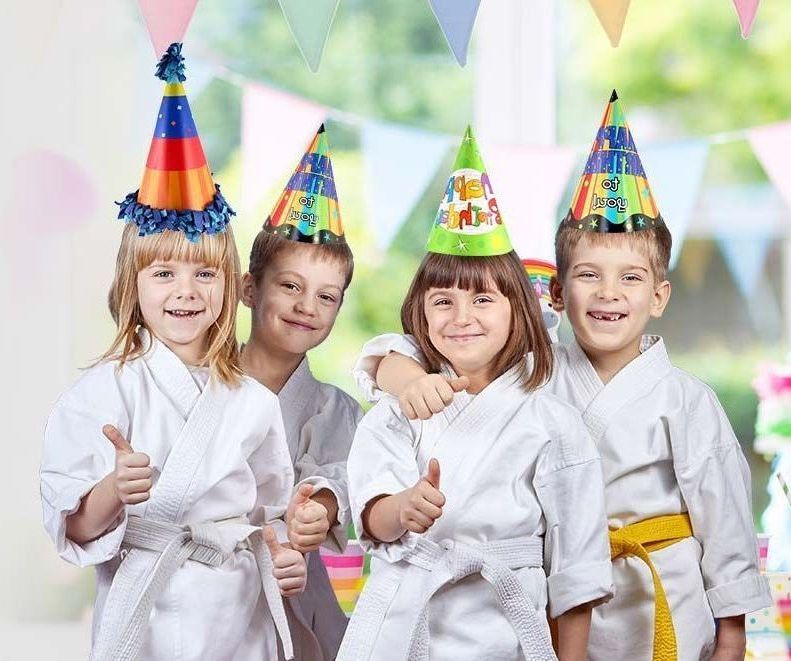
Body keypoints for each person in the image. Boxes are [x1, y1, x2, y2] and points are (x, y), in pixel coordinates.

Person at [352, 93, 772, 660]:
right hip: (553, 600)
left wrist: (732, 633)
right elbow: (425, 347)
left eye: (630, 278)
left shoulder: (686, 400)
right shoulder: (532, 370)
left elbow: (724, 519)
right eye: (588, 275)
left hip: (661, 591)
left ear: (660, 295)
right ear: (554, 292)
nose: (608, 293)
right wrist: (402, 378)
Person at [40, 44, 305, 661]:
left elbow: (269, 515)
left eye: (204, 276)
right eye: (163, 274)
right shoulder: (103, 392)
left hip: (240, 611)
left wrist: (285, 553)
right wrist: (112, 489)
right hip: (148, 608)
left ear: (231, 285)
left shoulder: (253, 402)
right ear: (132, 284)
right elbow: (72, 527)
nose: (185, 292)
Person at [338, 128, 613, 661]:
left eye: (483, 298)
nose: (462, 317)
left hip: (505, 628)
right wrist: (404, 508)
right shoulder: (397, 413)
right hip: (404, 624)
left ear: (520, 308)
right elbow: (370, 516)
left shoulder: (553, 422)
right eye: (442, 301)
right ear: (421, 312)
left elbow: (577, 567)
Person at [241, 124, 362, 660]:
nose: (306, 306)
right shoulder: (193, 386)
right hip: (198, 593)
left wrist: (320, 513)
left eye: (327, 297)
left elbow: (345, 482)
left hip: (297, 594)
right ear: (250, 287)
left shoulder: (337, 411)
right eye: (290, 285)